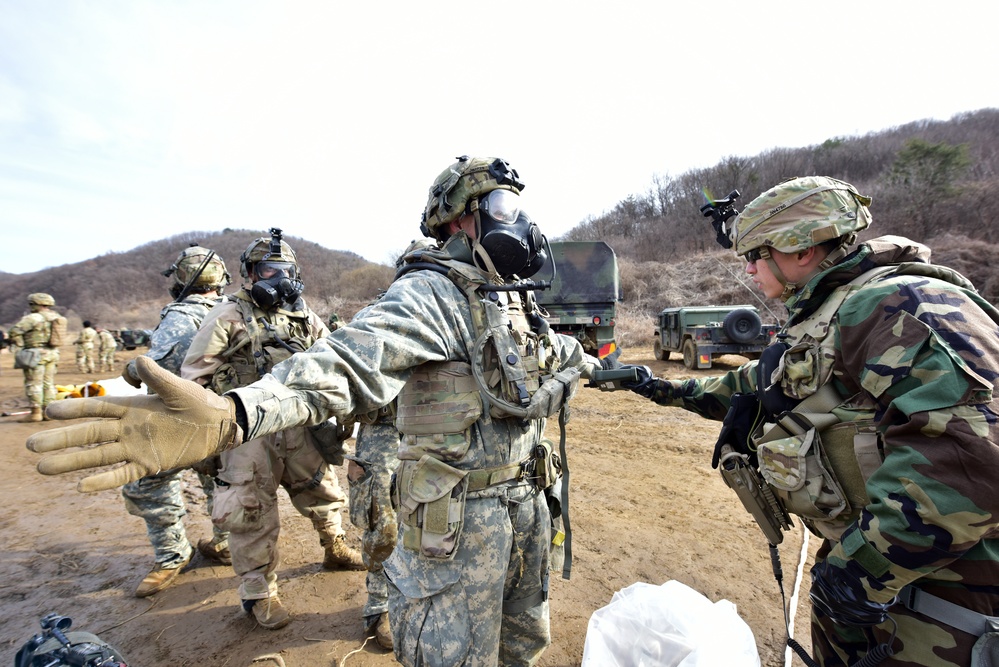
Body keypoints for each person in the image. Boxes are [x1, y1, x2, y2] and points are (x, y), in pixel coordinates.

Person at [29, 156, 601, 666]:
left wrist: (604, 367)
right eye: (501, 205)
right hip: (459, 518)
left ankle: (332, 547)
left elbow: (554, 357)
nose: (517, 219)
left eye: (519, 205)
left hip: (525, 507)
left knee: (522, 644)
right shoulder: (432, 294)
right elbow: (342, 363)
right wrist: (235, 413)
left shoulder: (513, 296)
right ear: (457, 218)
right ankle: (262, 589)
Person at [614, 176, 999, 666]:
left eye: (755, 254)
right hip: (879, 583)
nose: (749, 269)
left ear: (799, 249)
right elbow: (758, 383)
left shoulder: (901, 303)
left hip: (943, 597)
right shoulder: (828, 316)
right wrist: (658, 386)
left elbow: (975, 456)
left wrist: (865, 567)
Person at [179, 229, 363, 631]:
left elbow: (332, 360)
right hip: (247, 432)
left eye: (284, 270)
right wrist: (215, 433)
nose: (276, 277)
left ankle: (334, 547)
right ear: (249, 273)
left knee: (322, 490)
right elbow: (195, 378)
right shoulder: (226, 314)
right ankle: (259, 593)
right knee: (250, 511)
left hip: (299, 425)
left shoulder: (304, 316)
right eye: (267, 269)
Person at [119, 244, 234, 598]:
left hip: (180, 420)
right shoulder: (235, 309)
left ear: (181, 279)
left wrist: (130, 370)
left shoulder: (183, 315)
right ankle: (226, 543)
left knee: (148, 482)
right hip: (226, 418)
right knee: (222, 481)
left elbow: (161, 369)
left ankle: (172, 555)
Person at [8, 293, 64, 422]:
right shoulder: (56, 317)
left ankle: (35, 412)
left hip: (36, 354)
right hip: (53, 353)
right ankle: (48, 412)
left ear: (35, 304)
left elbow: (14, 331)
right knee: (48, 383)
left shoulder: (33, 318)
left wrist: (20, 344)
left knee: (34, 383)